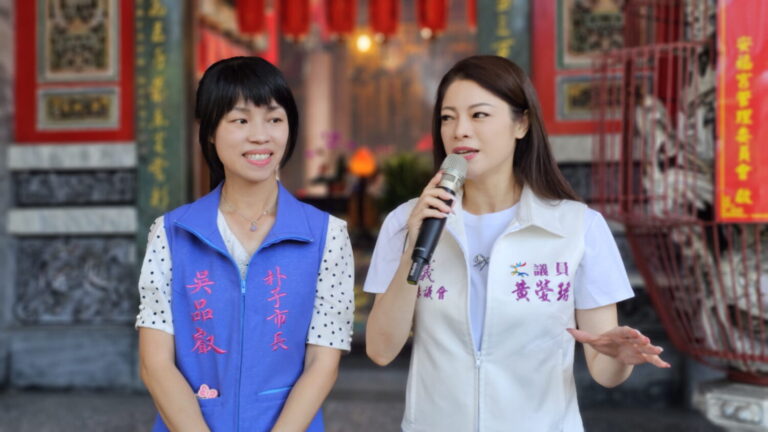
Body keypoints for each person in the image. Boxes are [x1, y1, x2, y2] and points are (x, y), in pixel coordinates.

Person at [364, 55, 670, 431]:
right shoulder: (407, 222)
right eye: (447, 117)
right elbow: (380, 350)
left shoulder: (579, 227)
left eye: (479, 115)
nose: (459, 130)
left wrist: (620, 356)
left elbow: (603, 368)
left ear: (521, 124)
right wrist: (414, 248)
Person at [136, 56, 354, 432]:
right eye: (240, 120)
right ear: (209, 131)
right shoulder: (171, 233)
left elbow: (323, 363)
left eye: (274, 119)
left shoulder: (327, 235)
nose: (260, 136)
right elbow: (155, 363)